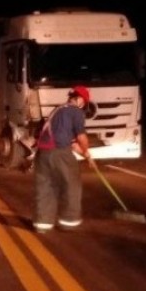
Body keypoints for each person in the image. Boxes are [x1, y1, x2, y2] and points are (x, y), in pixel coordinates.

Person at [32, 85, 94, 234]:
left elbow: (71, 143)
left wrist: (87, 156)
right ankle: (69, 222)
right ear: (79, 99)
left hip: (42, 154)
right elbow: (81, 138)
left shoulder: (57, 110)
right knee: (71, 185)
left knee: (46, 187)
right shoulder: (76, 112)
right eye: (84, 102)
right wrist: (86, 149)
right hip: (60, 153)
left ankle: (42, 224)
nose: (83, 106)